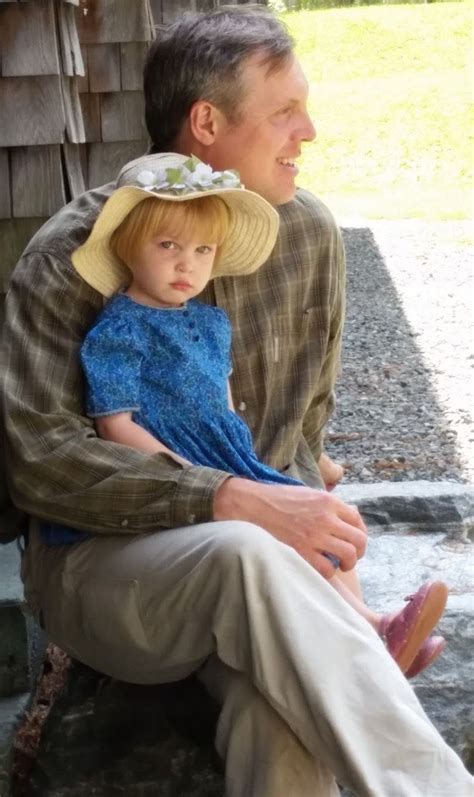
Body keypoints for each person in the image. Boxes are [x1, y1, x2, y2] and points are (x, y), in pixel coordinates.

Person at [1, 6, 471, 796]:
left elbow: (301, 430)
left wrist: (304, 512)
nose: (310, 131)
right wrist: (227, 496)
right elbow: (38, 462)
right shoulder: (71, 256)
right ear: (207, 122)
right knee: (245, 548)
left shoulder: (311, 237)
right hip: (104, 568)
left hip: (274, 583)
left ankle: (348, 642)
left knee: (292, 704)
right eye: (286, 110)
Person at [48, 150, 448, 680]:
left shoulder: (212, 322)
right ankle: (372, 629)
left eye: (202, 249)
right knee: (283, 537)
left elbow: (224, 402)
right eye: (167, 245)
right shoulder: (121, 330)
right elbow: (114, 422)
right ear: (128, 247)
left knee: (313, 510)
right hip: (173, 463)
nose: (185, 263)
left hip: (226, 453)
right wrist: (182, 470)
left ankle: (374, 630)